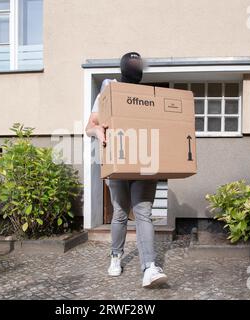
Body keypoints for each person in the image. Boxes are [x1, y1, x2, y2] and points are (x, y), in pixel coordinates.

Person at [85, 52, 168, 288]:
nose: (136, 68)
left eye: (139, 65)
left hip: (145, 162)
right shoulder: (108, 91)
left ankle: (149, 267)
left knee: (143, 212)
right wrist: (98, 131)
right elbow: (89, 126)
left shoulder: (147, 95)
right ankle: (115, 256)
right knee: (121, 213)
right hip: (117, 162)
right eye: (132, 64)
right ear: (123, 68)